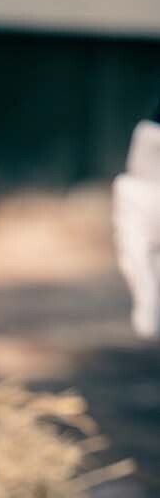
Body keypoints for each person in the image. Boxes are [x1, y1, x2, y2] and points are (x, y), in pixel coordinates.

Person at [112, 94, 160, 339]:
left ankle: (148, 304)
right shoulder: (147, 132)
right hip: (140, 192)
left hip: (139, 194)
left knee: (141, 260)